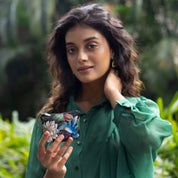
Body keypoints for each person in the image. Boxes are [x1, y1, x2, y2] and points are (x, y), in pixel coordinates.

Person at [25, 3, 172, 178]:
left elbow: (146, 141)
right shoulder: (52, 119)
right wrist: (53, 173)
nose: (81, 57)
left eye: (91, 45)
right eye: (72, 50)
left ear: (112, 50)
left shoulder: (140, 114)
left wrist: (112, 93)